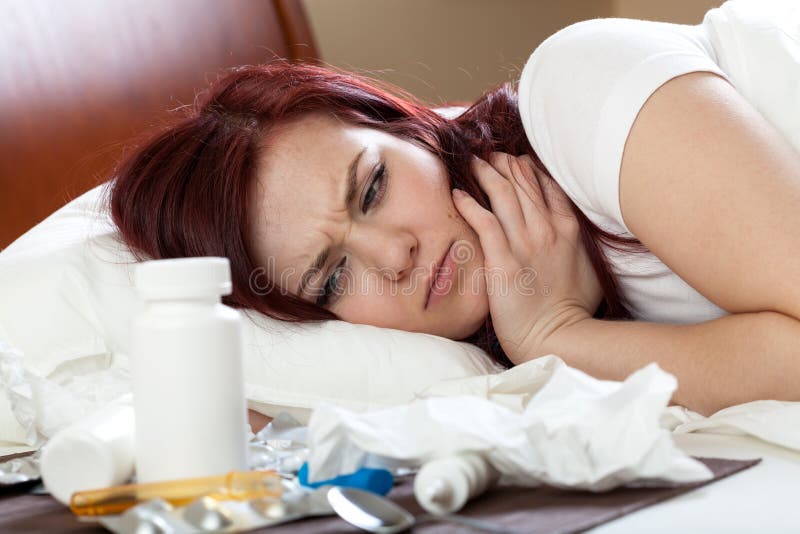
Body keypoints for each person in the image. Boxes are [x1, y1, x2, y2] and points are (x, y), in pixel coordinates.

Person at [109, 0, 800, 417]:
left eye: (373, 187)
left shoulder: (576, 90)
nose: (393, 255)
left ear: (412, 129)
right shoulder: (510, 345)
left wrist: (561, 338)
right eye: (333, 279)